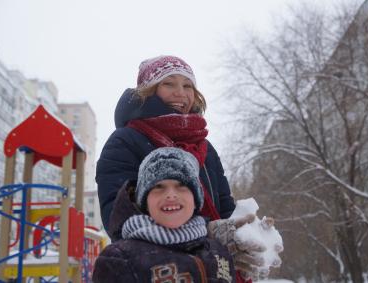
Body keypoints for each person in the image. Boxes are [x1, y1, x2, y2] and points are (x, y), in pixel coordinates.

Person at [96, 55, 265, 281]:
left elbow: (224, 205)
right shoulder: (125, 141)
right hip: (154, 267)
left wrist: (243, 237)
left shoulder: (205, 146)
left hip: (211, 263)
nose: (181, 92)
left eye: (188, 86)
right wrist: (205, 230)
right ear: (149, 91)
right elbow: (117, 215)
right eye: (169, 83)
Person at [93, 147, 237, 282]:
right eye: (158, 187)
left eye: (182, 186)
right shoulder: (118, 259)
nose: (171, 195)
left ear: (195, 200)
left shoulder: (218, 251)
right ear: (145, 202)